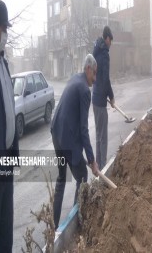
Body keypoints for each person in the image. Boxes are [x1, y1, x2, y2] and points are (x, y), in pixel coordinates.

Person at [51, 54, 99, 229]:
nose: (95, 79)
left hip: (56, 134)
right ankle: (76, 221)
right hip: (66, 139)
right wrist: (92, 160)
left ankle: (54, 226)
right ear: (88, 69)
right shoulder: (85, 90)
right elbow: (83, 129)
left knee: (61, 179)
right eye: (94, 74)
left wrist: (84, 155)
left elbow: (74, 123)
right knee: (83, 177)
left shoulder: (75, 79)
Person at [0, 0, 19, 252]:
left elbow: (9, 107)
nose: (5, 34)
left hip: (6, 164)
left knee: (5, 235)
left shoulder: (2, 62)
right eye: (2, 28)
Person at [92, 26, 115, 170]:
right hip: (100, 101)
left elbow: (99, 78)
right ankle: (103, 168)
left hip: (95, 98)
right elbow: (105, 79)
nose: (110, 44)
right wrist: (111, 97)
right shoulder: (104, 54)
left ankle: (98, 167)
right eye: (110, 41)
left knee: (98, 134)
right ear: (107, 39)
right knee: (103, 137)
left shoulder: (96, 52)